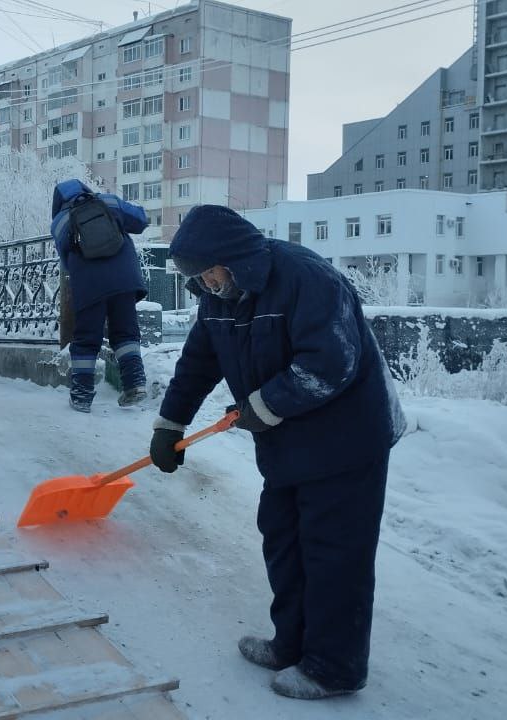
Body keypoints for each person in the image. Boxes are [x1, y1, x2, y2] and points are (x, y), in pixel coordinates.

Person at [149, 204, 405, 700]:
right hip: (288, 439)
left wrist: (263, 405)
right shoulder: (218, 297)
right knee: (283, 539)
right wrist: (170, 423)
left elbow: (331, 363)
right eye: (196, 278)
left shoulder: (306, 279)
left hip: (347, 438)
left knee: (334, 551)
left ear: (233, 258)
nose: (205, 284)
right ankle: (292, 643)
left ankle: (335, 667)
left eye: (208, 272)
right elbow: (198, 362)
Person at [49, 179, 150, 413]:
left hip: (89, 286)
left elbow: (66, 261)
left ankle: (82, 396)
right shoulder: (108, 202)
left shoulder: (60, 221)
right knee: (125, 332)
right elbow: (140, 220)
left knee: (86, 338)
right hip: (124, 280)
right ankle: (134, 384)